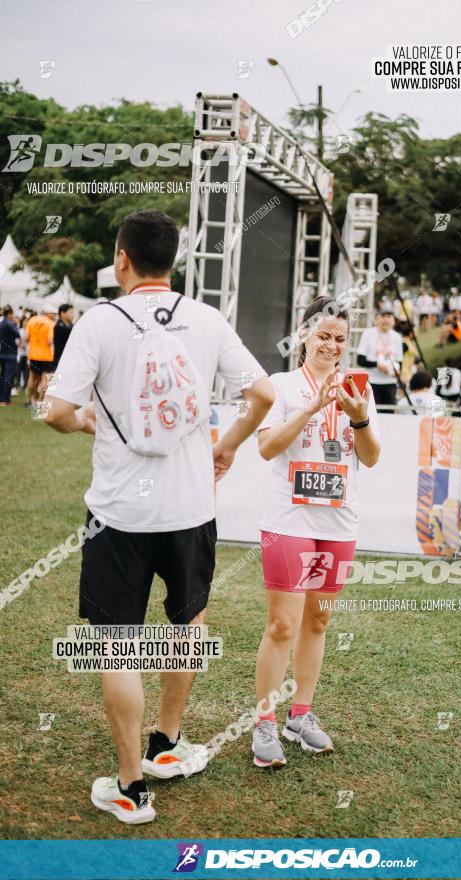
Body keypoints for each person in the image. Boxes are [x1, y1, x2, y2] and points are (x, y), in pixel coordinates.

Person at [44, 209, 275, 823]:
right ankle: (167, 746)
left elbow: (55, 410)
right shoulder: (206, 318)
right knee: (188, 621)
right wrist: (227, 446)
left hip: (118, 513)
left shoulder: (99, 321)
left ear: (121, 258)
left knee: (116, 647)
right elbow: (264, 396)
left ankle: (129, 788)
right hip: (191, 508)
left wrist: (86, 420)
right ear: (174, 261)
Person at [252, 295, 380, 768]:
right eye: (323, 335)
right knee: (282, 623)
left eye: (340, 339)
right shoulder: (282, 386)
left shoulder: (356, 389)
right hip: (288, 520)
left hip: (338, 522)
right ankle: (265, 721)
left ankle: (300, 715)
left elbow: (369, 457)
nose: (331, 345)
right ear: (304, 334)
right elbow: (267, 448)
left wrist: (358, 415)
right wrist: (309, 408)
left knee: (318, 621)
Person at [356, 304, 403, 410]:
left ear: (393, 320)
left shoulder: (397, 337)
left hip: (390, 383)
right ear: (377, 318)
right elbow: (360, 360)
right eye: (383, 316)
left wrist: (394, 370)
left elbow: (400, 362)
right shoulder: (368, 334)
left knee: (388, 414)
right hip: (372, 382)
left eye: (389, 316)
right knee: (371, 413)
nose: (385, 320)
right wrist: (377, 365)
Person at [25, 304, 55, 408]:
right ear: (47, 313)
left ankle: (29, 400)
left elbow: (26, 338)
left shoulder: (31, 320)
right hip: (46, 356)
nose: (54, 315)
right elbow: (50, 341)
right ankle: (39, 401)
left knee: (32, 377)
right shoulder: (50, 323)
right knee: (44, 379)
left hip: (33, 354)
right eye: (52, 313)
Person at [0, 306, 20, 406]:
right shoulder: (9, 323)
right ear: (9, 314)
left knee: (3, 376)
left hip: (2, 353)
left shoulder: (1, 323)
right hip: (10, 354)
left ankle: (1, 398)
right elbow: (18, 334)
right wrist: (16, 325)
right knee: (8, 377)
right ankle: (5, 400)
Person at [52, 303, 74, 367]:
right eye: (70, 312)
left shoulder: (71, 326)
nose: (73, 315)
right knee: (58, 377)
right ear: (62, 313)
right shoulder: (59, 327)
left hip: (68, 360)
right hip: (59, 360)